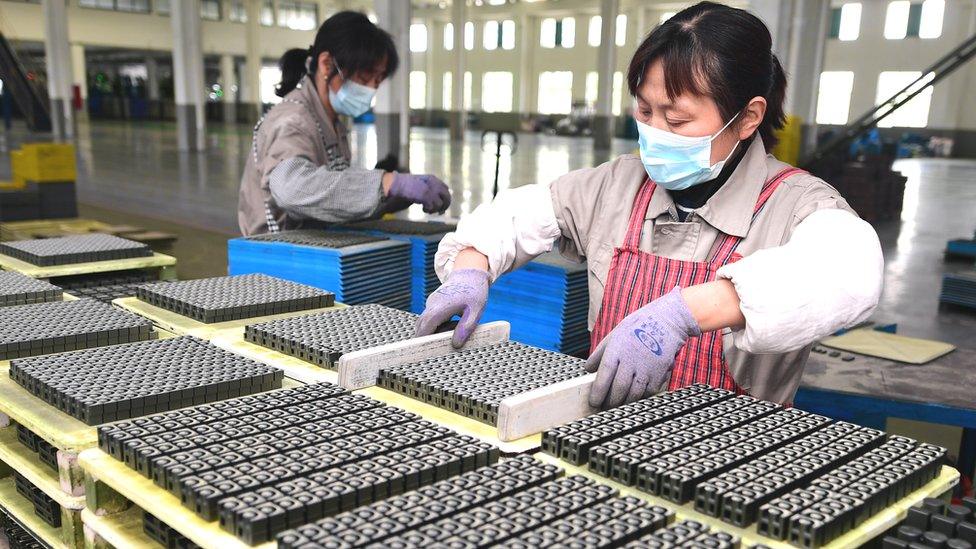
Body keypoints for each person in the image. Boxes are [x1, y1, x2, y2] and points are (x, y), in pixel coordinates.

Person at [414, 2, 884, 409]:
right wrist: (471, 268)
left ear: (748, 118)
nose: (656, 132)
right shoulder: (617, 185)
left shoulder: (797, 205)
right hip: (607, 435)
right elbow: (520, 214)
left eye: (677, 119)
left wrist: (683, 314)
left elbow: (851, 273)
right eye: (645, 112)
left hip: (731, 461)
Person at [238, 11, 451, 235]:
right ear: (327, 64)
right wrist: (386, 183)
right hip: (274, 255)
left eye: (377, 80)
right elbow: (292, 189)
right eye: (364, 77)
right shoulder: (292, 121)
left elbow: (331, 200)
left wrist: (395, 196)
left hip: (311, 244)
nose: (370, 88)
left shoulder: (330, 122)